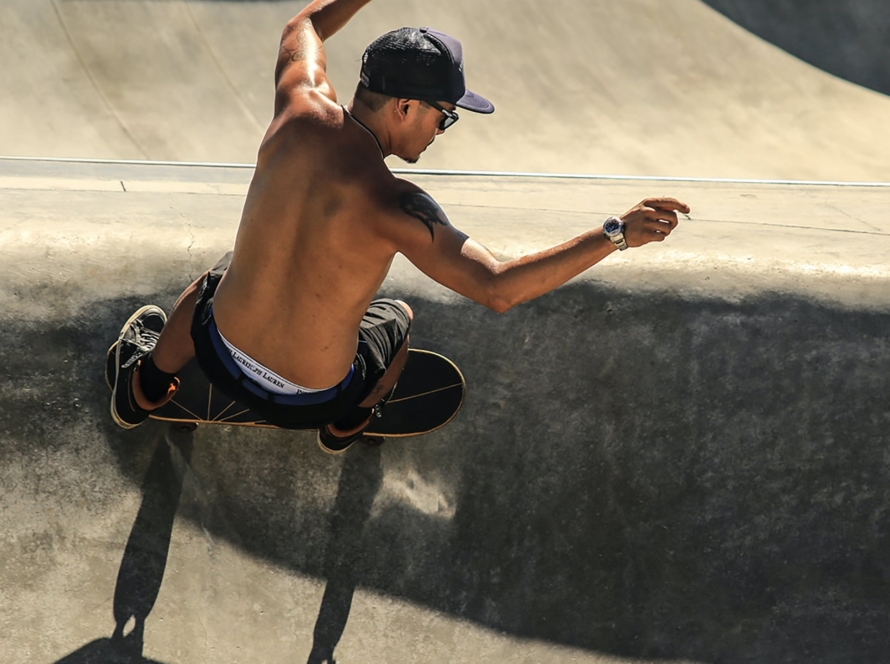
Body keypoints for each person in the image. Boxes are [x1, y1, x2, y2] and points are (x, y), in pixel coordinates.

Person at [109, 0, 690, 454]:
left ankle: (144, 389)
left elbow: (302, 25)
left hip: (218, 353)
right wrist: (615, 234)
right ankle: (348, 425)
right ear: (406, 106)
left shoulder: (296, 107)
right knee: (397, 319)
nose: (441, 131)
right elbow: (498, 287)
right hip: (311, 401)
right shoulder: (398, 205)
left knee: (213, 282)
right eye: (445, 117)